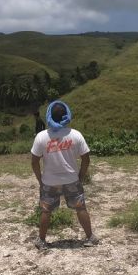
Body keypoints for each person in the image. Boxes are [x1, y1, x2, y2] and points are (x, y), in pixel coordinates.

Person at [30, 100, 98, 250]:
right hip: (72, 180)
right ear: (67, 115)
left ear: (49, 116)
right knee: (80, 208)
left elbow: (34, 162)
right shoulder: (76, 135)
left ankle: (42, 241)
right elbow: (86, 159)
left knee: (46, 210)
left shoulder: (41, 137)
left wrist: (41, 181)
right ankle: (90, 237)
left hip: (49, 181)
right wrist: (80, 177)